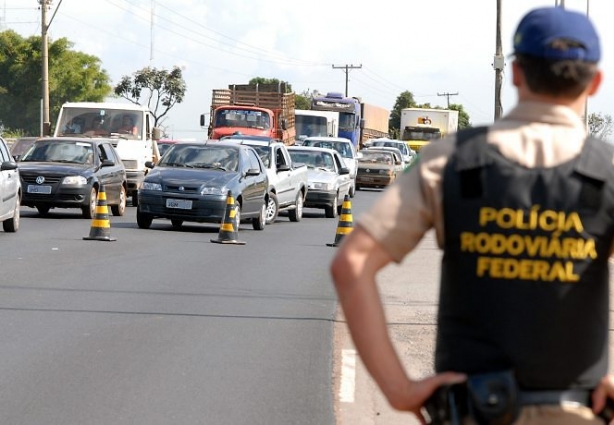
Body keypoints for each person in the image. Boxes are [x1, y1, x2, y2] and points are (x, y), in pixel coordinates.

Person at [330, 6, 614, 425]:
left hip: (472, 411)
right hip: (578, 411)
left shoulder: (450, 160)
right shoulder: (607, 172)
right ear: (596, 81)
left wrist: (399, 389)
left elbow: (351, 264)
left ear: (516, 74)